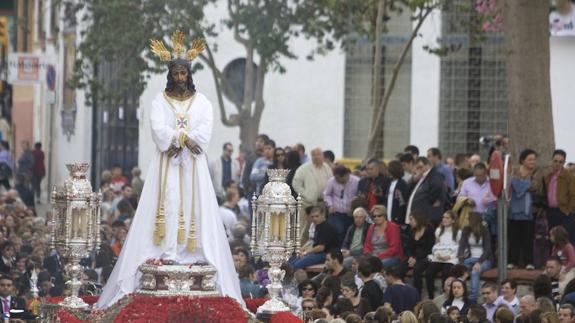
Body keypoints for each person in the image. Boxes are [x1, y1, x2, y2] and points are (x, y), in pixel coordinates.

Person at [96, 34, 242, 308]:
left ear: (189, 73)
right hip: (167, 163)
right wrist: (177, 140)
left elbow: (205, 129)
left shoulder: (203, 102)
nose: (179, 75)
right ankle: (165, 249)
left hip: (192, 164)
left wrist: (183, 140)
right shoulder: (159, 100)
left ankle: (193, 249)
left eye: (183, 71)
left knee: (194, 205)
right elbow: (157, 127)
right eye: (175, 71)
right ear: (170, 74)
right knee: (168, 202)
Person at [508, 149, 544, 270]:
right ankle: (512, 261)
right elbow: (509, 183)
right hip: (513, 210)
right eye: (530, 159)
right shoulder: (514, 171)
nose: (532, 162)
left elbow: (535, 186)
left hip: (530, 211)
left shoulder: (537, 172)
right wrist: (524, 184)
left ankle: (529, 262)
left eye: (534, 159)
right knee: (514, 237)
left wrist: (520, 183)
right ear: (523, 160)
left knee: (528, 237)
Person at [292, 148, 333, 243]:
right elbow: (296, 184)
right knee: (304, 229)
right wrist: (306, 195)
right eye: (314, 155)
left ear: (322, 156)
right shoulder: (304, 168)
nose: (316, 156)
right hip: (308, 203)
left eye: (319, 154)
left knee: (321, 229)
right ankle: (300, 251)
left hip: (322, 203)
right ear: (311, 156)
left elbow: (331, 182)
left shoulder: (326, 167)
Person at [458, 212, 493, 303]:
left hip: (484, 259)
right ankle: (461, 295)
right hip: (471, 258)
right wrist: (462, 263)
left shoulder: (484, 230)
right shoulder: (466, 230)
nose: (467, 221)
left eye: (468, 219)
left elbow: (487, 249)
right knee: (461, 271)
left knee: (474, 272)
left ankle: (473, 299)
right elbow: (462, 247)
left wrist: (479, 262)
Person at [426, 211, 461, 299]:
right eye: (443, 217)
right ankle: (431, 297)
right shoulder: (439, 231)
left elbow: (460, 248)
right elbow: (436, 245)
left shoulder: (458, 232)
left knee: (446, 273)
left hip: (450, 258)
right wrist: (438, 254)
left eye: (447, 218)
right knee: (429, 272)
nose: (444, 219)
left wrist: (450, 256)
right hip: (439, 257)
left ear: (453, 220)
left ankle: (445, 296)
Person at [406, 157, 447, 227]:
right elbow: (409, 191)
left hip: (428, 216)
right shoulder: (421, 176)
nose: (419, 170)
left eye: (420, 167)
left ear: (428, 165)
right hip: (417, 216)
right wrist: (413, 180)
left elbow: (437, 187)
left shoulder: (434, 175)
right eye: (417, 168)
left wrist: (430, 201)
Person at [323, 165, 359, 243]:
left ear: (347, 175)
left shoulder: (356, 181)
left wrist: (354, 204)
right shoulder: (332, 181)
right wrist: (330, 204)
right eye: (336, 178)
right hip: (336, 212)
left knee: (349, 233)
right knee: (337, 230)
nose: (338, 180)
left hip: (350, 213)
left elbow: (359, 196)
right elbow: (326, 194)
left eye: (340, 178)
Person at [403, 209, 434, 297]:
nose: (410, 222)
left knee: (417, 269)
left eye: (411, 219)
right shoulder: (411, 230)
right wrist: (410, 257)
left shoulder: (429, 229)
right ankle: (402, 292)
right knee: (399, 268)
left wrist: (416, 259)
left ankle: (417, 295)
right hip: (413, 256)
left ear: (418, 219)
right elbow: (408, 247)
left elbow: (429, 248)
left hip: (426, 256)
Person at [544, 150, 575, 236]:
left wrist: (569, 211)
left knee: (563, 239)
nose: (557, 164)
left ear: (564, 162)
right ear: (552, 160)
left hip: (564, 212)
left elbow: (573, 195)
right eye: (555, 161)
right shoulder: (548, 176)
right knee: (552, 239)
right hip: (551, 212)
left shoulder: (569, 177)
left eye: (560, 162)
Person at [386, 160, 410, 226]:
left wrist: (399, 217)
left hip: (397, 218)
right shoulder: (389, 182)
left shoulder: (402, 184)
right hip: (388, 215)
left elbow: (402, 202)